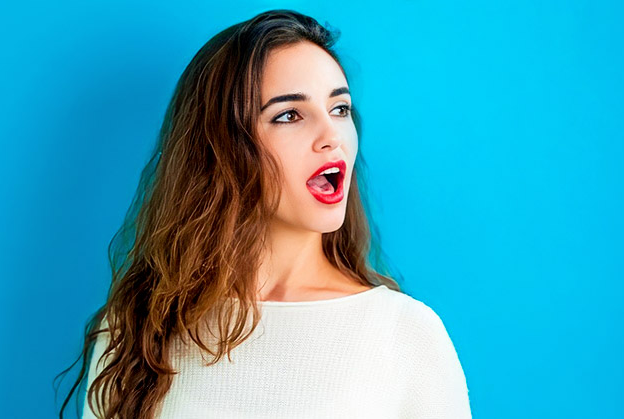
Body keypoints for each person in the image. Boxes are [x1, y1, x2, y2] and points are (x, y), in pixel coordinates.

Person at [57, 9, 471, 419]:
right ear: (222, 151)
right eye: (290, 115)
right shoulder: (135, 329)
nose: (332, 137)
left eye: (340, 109)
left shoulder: (406, 335)